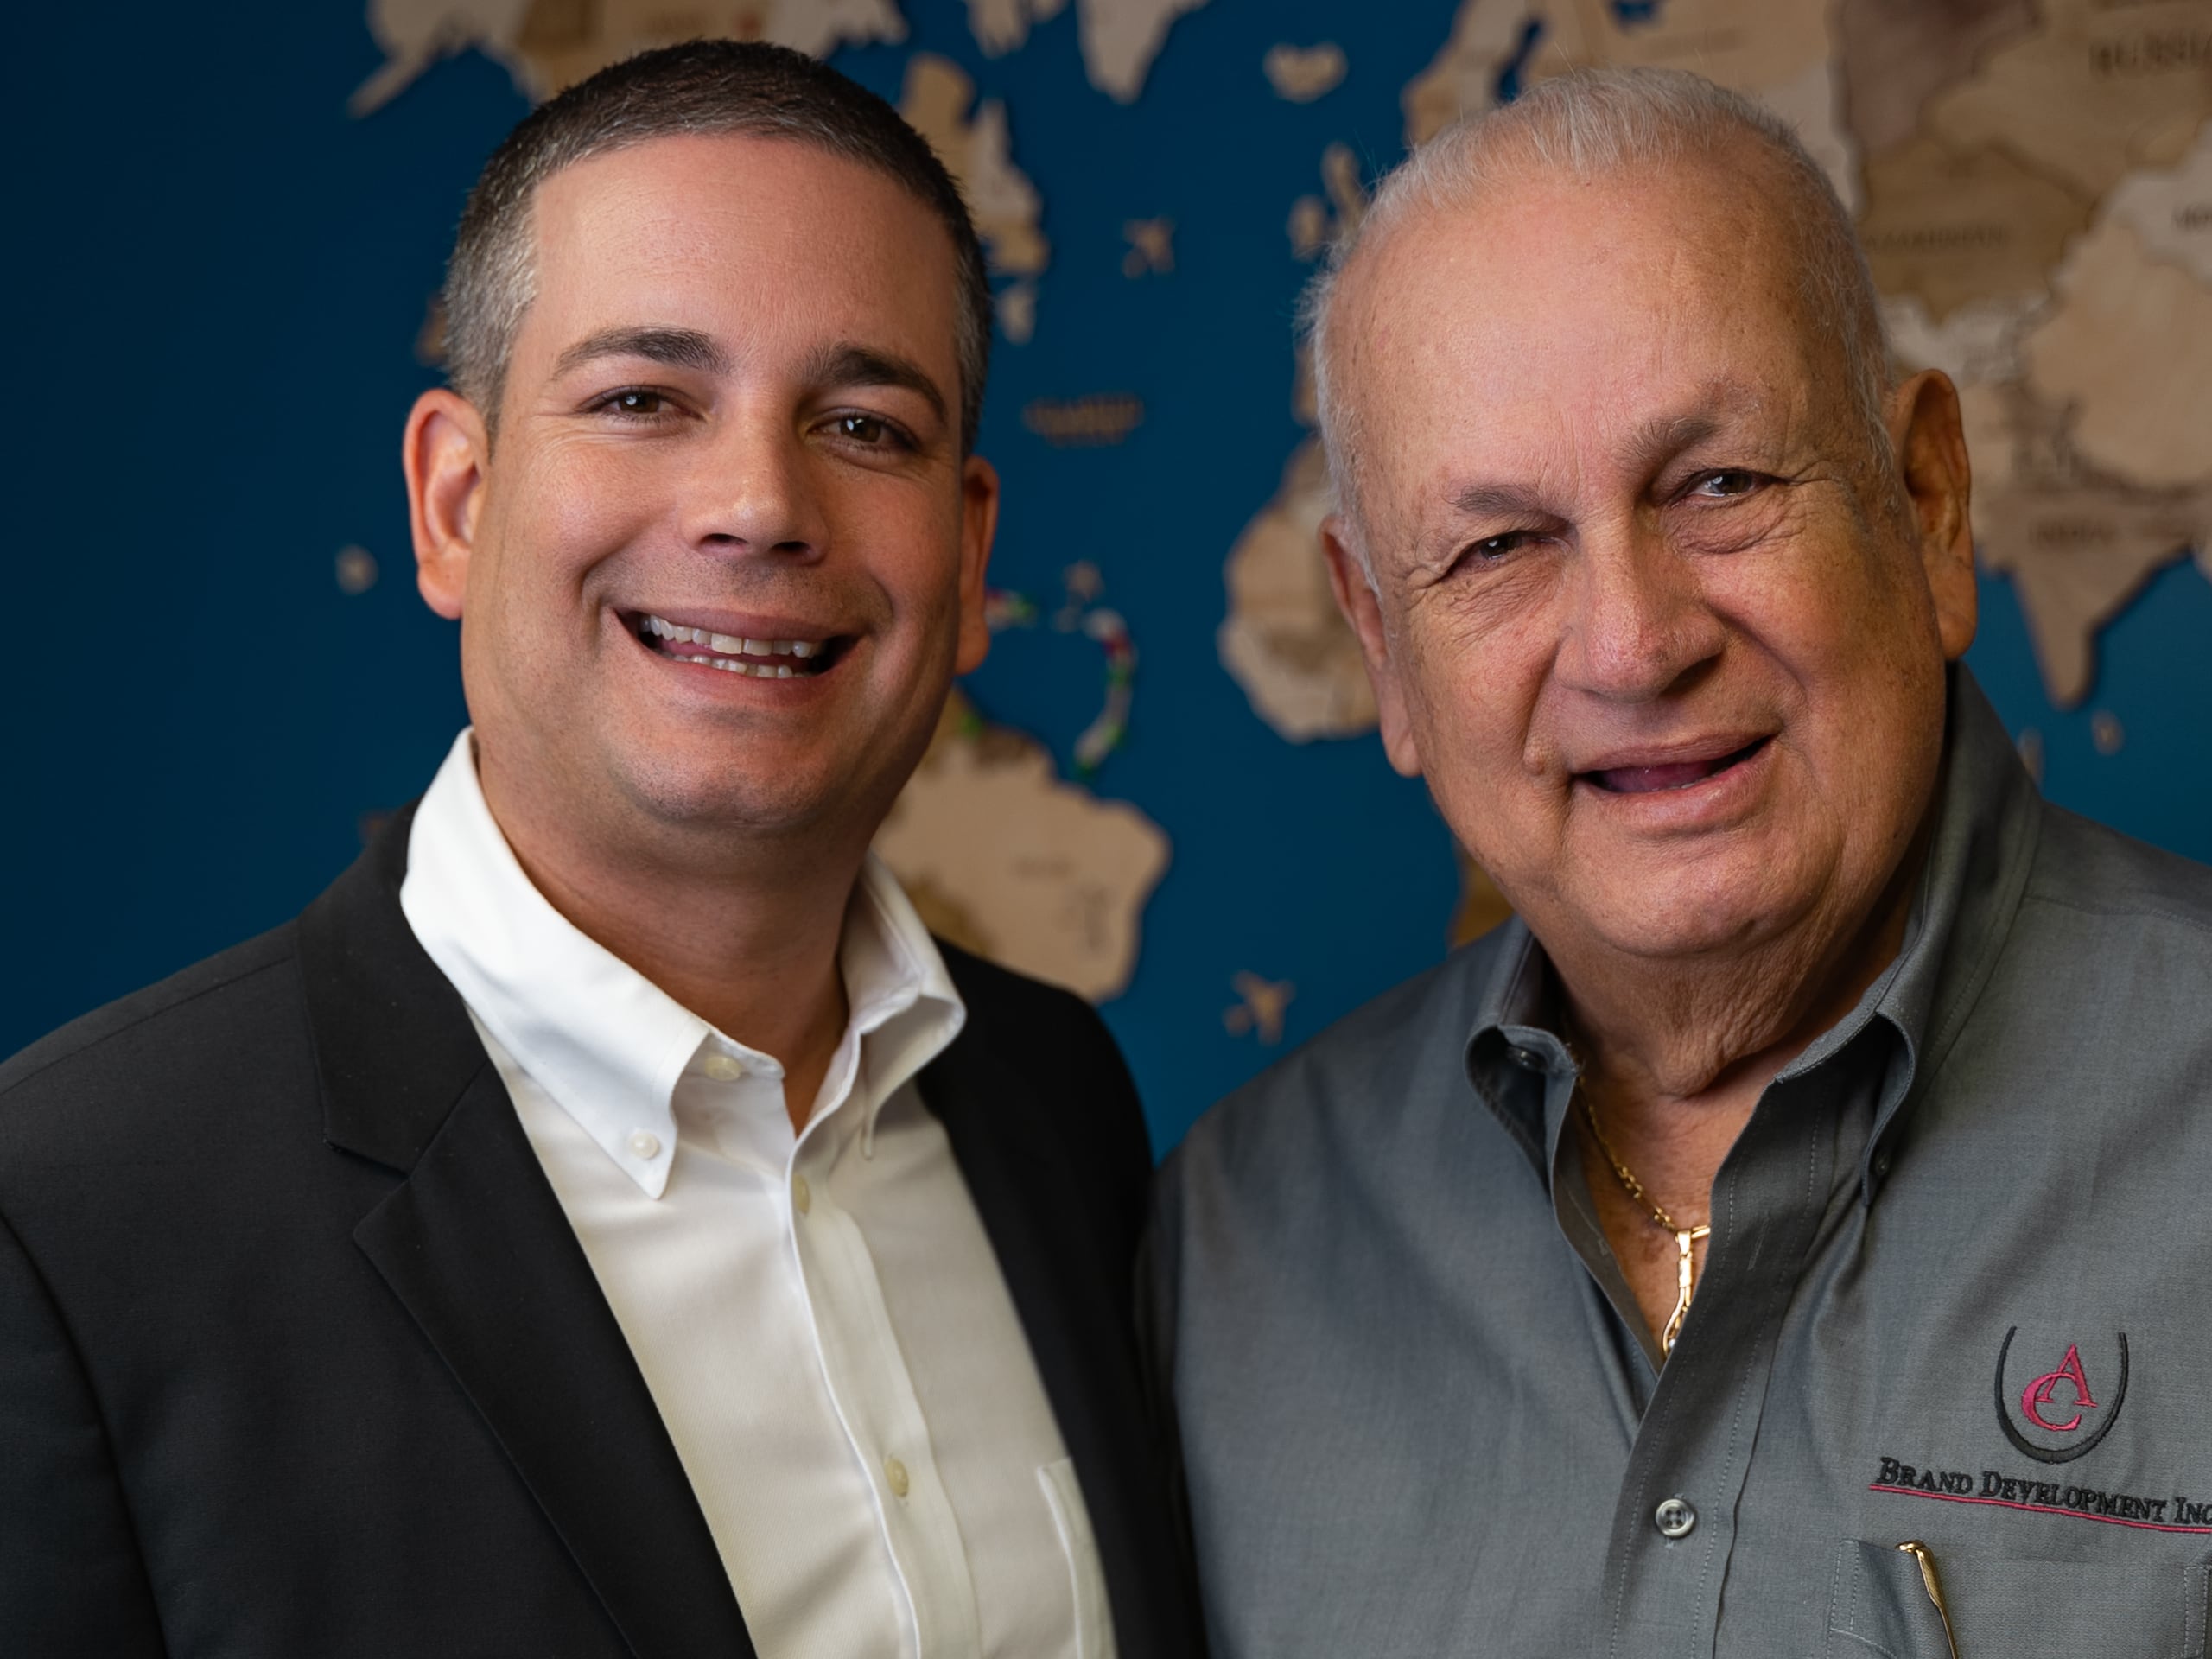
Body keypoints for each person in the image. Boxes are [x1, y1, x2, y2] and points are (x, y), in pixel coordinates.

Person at [0, 41, 1197, 1658]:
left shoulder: (1062, 1108)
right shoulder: (66, 1224)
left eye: (862, 424)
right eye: (643, 398)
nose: (759, 505)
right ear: (454, 502)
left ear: (971, 558)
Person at [1147, 67, 2212, 1658]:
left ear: (1926, 503)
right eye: (1498, 546)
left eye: (1720, 486)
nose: (1635, 646)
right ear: (1379, 641)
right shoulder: (1231, 1245)